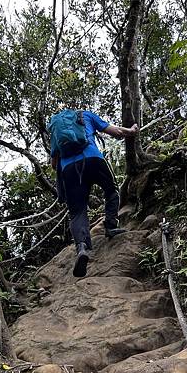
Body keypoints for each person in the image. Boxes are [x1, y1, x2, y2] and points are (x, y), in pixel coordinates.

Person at [50, 110, 139, 277]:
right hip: (93, 158)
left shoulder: (55, 129)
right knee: (111, 190)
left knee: (77, 212)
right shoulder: (85, 115)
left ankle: (82, 248)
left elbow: (54, 164)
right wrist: (132, 131)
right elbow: (117, 132)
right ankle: (111, 226)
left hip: (69, 170)